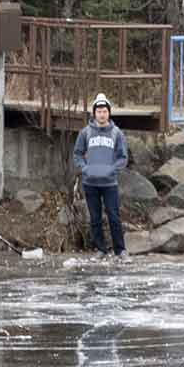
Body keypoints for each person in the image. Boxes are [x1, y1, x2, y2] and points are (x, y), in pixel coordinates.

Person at [72, 92, 129, 260]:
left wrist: (113, 170)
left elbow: (123, 157)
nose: (102, 114)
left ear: (109, 113)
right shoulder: (86, 133)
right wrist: (85, 169)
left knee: (113, 216)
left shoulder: (117, 133)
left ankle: (120, 251)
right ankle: (101, 250)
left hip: (110, 183)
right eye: (99, 111)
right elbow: (77, 154)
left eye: (105, 111)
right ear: (94, 113)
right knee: (95, 218)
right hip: (90, 183)